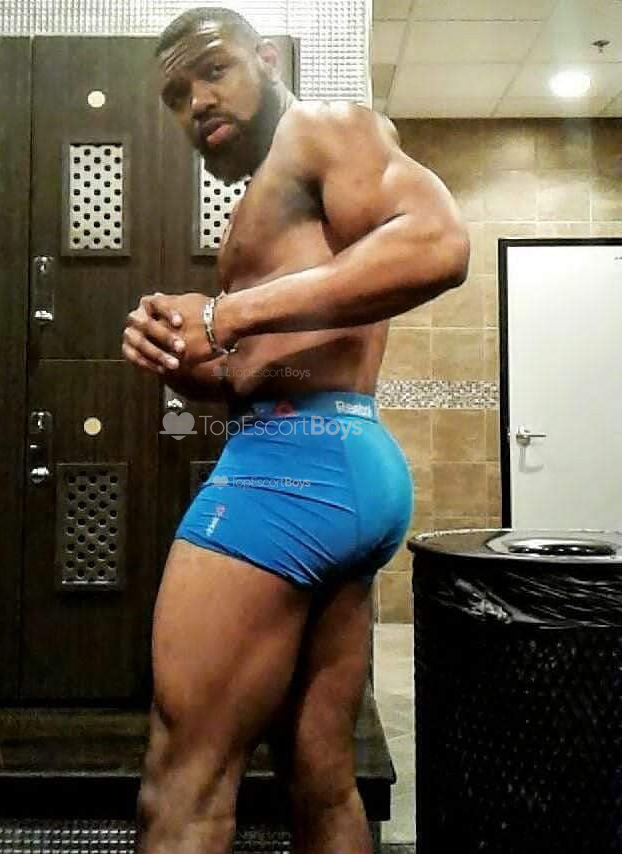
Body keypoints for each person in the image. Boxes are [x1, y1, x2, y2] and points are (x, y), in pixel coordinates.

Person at [122, 7, 470, 853]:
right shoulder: (266, 194)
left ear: (268, 59)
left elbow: (439, 243)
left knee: (181, 785)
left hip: (291, 473)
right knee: (321, 779)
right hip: (342, 461)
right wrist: (183, 355)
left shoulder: (322, 127)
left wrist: (225, 314)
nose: (198, 102)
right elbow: (255, 373)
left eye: (214, 70)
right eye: (176, 95)